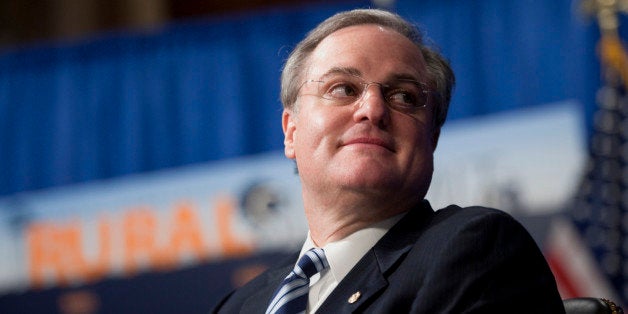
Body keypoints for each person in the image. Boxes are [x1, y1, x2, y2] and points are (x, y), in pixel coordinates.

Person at [213, 8, 565, 314]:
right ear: (291, 131)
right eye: (343, 89)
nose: (372, 110)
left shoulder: (475, 251)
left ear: (432, 138)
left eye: (403, 96)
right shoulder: (240, 305)